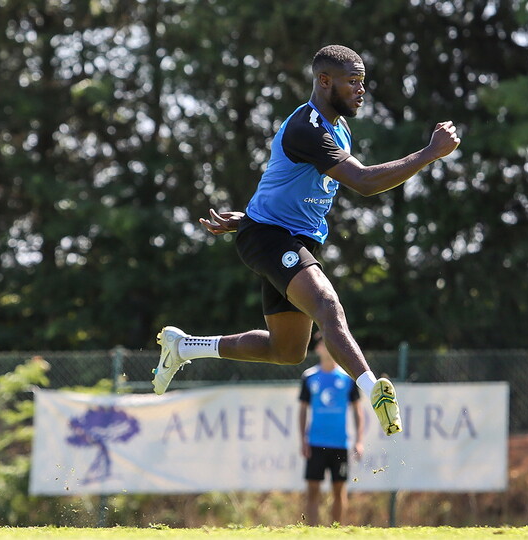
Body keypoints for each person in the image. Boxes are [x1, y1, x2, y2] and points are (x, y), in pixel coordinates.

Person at [151, 44, 461, 435]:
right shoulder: (305, 127)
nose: (361, 91)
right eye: (352, 83)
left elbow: (287, 185)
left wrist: (244, 220)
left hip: (279, 235)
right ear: (324, 81)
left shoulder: (340, 128)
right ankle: (373, 389)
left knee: (287, 351)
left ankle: (183, 348)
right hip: (271, 238)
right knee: (327, 305)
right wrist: (430, 153)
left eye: (362, 83)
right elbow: (364, 182)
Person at [298, 332, 364, 526]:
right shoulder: (309, 377)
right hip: (316, 443)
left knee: (339, 490)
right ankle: (312, 532)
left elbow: (358, 411)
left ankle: (335, 532)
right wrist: (303, 440)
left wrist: (359, 440)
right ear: (318, 348)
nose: (327, 348)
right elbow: (303, 410)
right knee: (312, 491)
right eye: (323, 344)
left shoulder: (347, 378)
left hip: (339, 443)